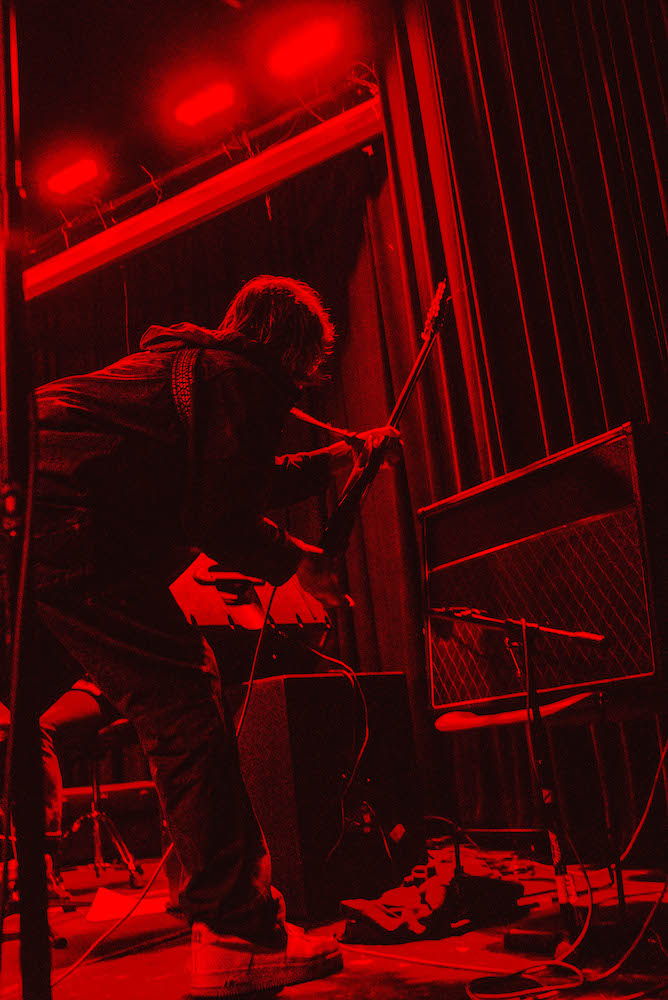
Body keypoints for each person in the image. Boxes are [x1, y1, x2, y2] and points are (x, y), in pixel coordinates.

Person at [6, 274, 399, 997]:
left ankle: (227, 919)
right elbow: (219, 517)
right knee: (185, 704)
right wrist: (300, 563)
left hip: (23, 520)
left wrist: (341, 459)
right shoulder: (241, 379)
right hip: (75, 526)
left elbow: (229, 480)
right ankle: (237, 933)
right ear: (298, 345)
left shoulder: (190, 367)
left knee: (15, 709)